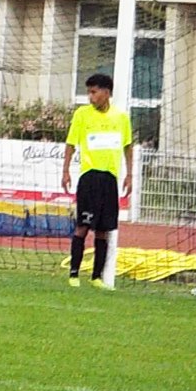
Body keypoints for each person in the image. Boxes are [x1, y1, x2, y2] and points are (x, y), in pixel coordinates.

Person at [61, 73, 133, 289]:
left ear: (106, 92)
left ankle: (96, 277)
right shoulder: (82, 115)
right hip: (89, 178)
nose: (90, 97)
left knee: (104, 229)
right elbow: (71, 144)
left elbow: (127, 147)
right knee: (83, 226)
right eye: (89, 92)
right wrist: (65, 171)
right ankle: (74, 274)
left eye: (94, 92)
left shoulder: (121, 118)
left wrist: (129, 175)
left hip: (110, 179)